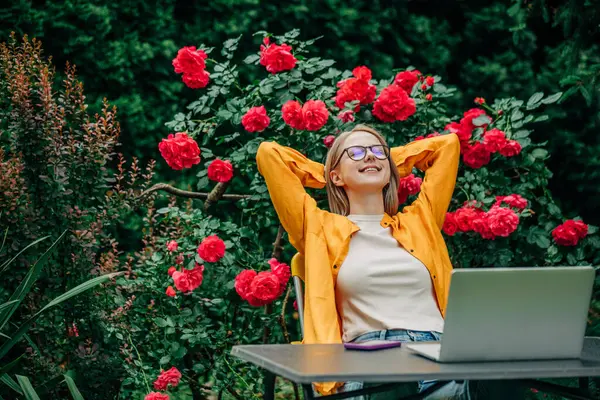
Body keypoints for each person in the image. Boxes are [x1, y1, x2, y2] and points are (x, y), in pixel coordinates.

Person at [256, 124, 521, 399]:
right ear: (335, 176)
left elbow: (448, 146)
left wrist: (377, 162)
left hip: (442, 354)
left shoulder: (421, 221)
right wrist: (330, 171)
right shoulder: (318, 228)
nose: (370, 156)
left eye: (378, 151)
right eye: (356, 152)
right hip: (372, 358)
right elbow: (269, 154)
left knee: (499, 376)